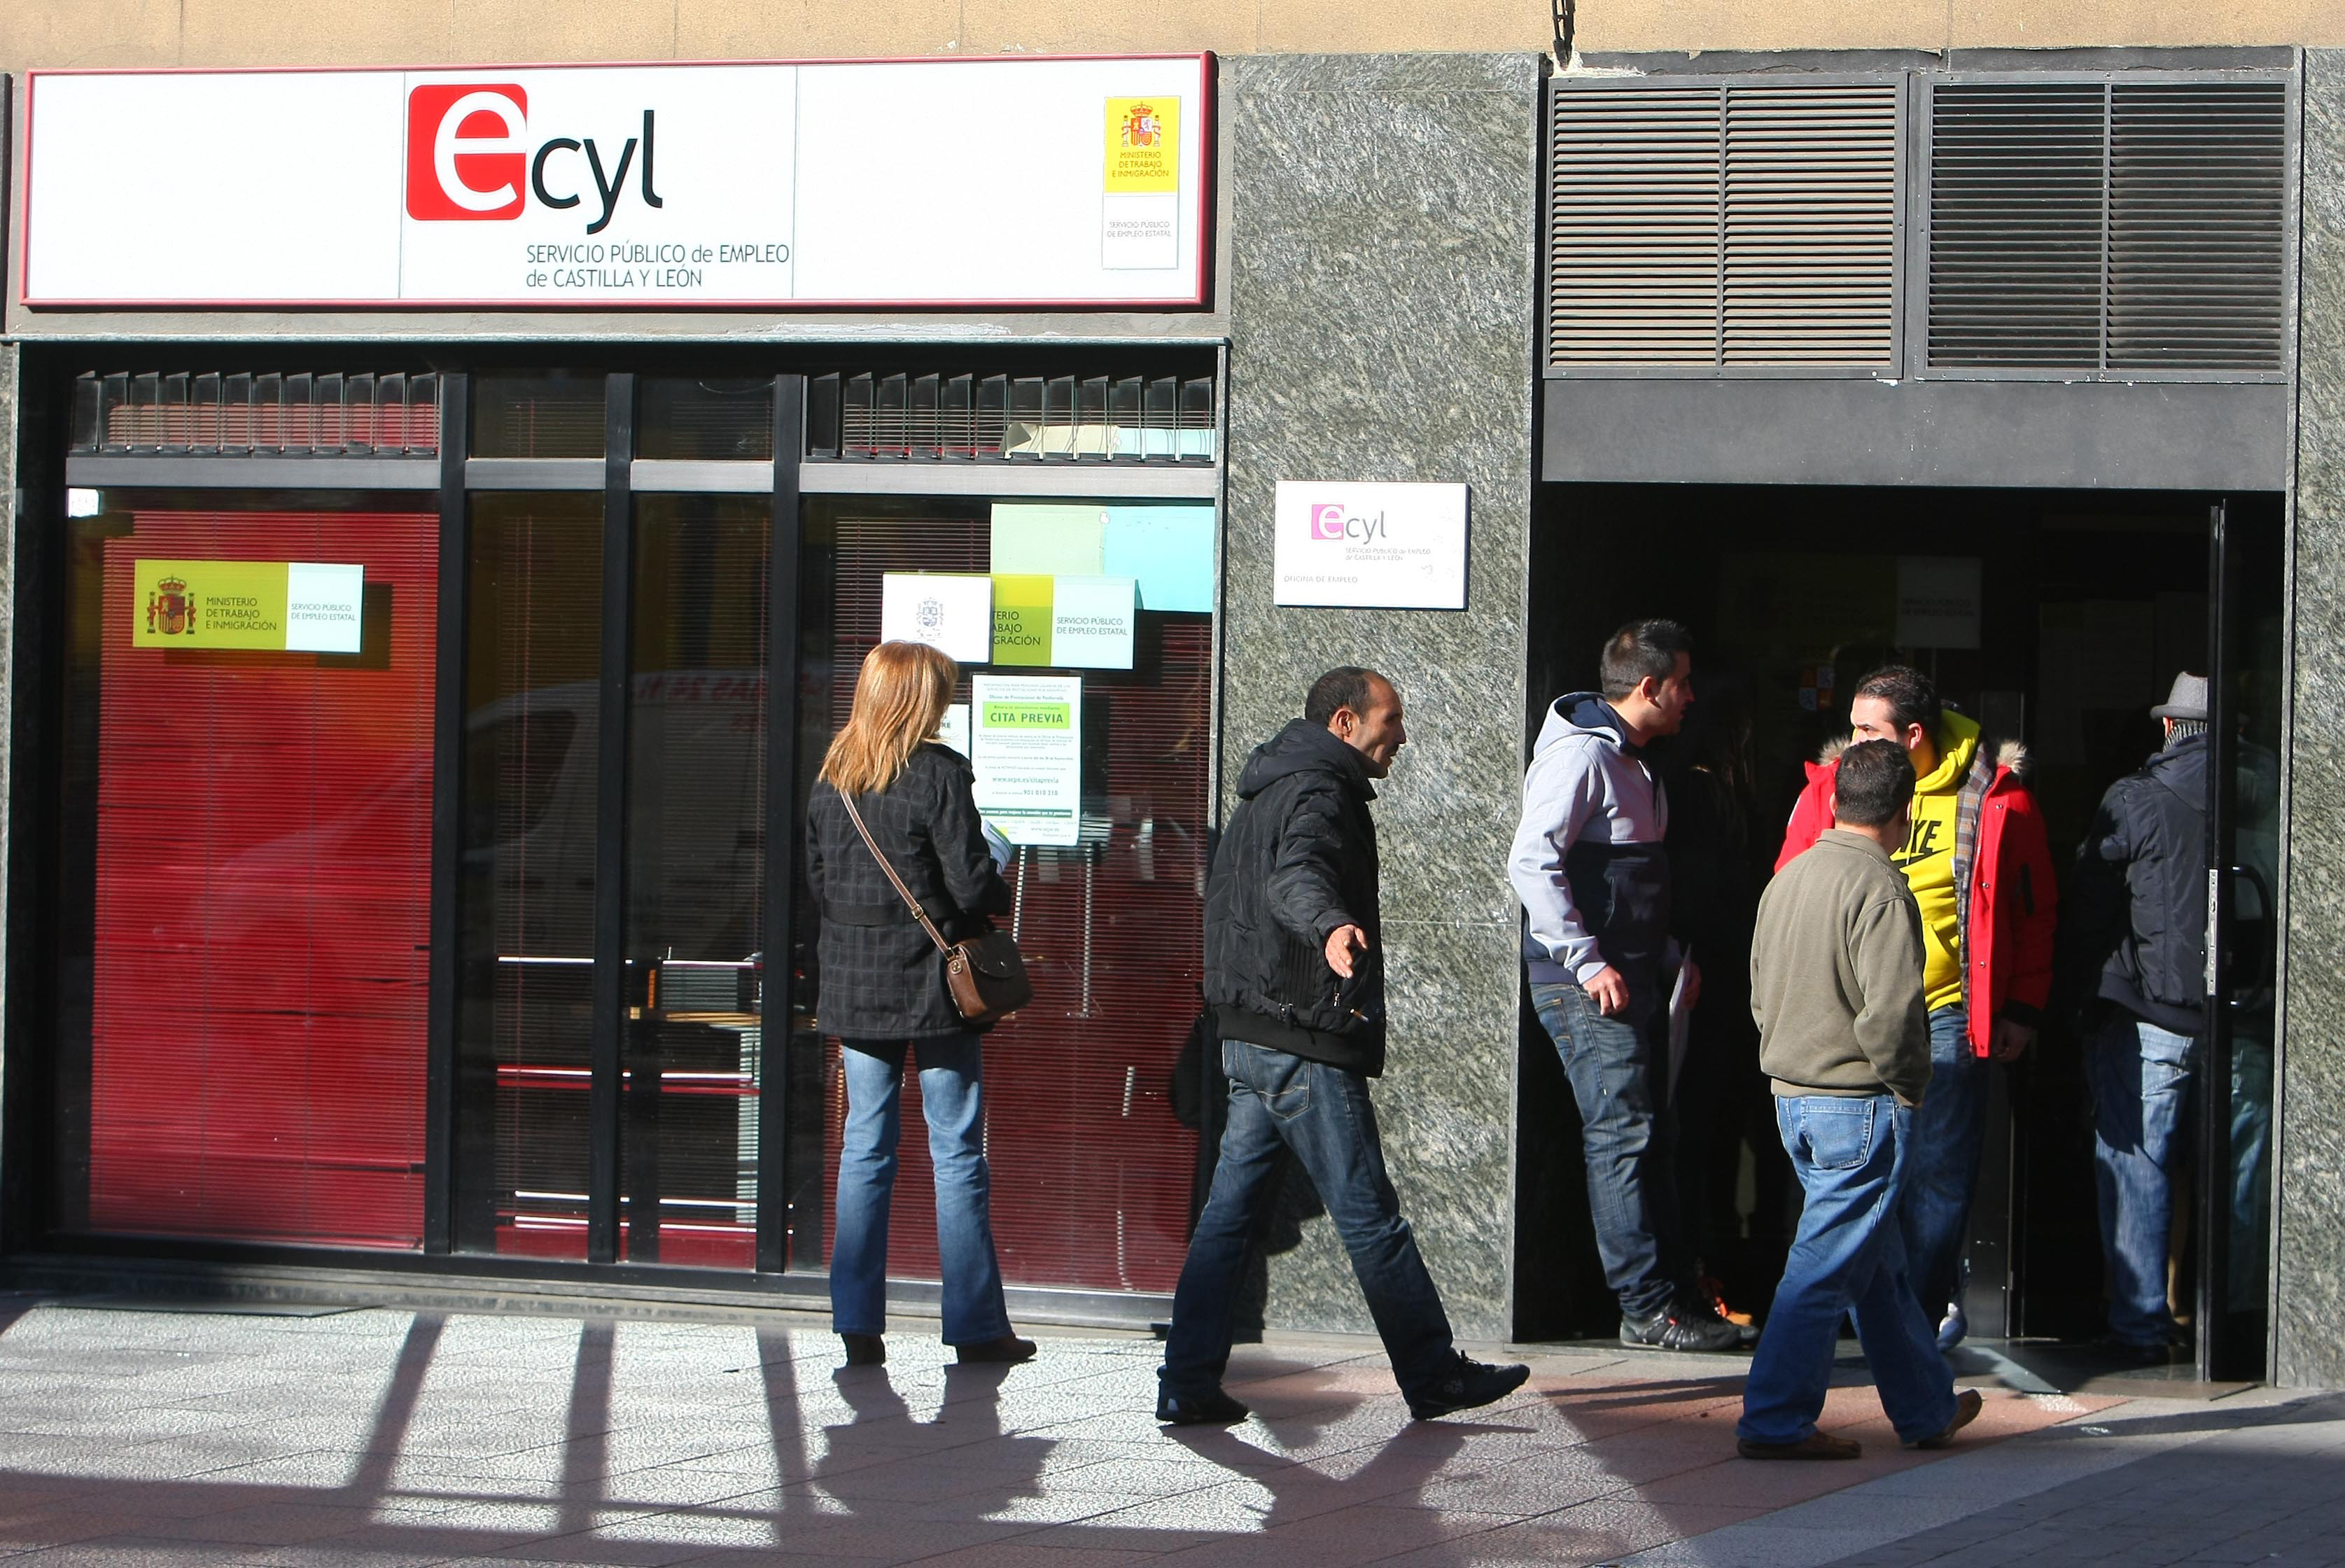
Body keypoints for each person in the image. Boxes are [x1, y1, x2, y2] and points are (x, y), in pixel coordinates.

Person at [1158, 667, 1530, 1425]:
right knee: (1368, 1212)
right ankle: (1432, 1373)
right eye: (1390, 719)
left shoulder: (1268, 786)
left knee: (1228, 1217)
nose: (1402, 735)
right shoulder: (1320, 792)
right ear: (1343, 722)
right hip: (1300, 1034)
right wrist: (1330, 926)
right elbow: (1296, 877)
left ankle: (1188, 1378)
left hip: (1250, 1034)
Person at [1776, 665, 2056, 1351]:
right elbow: (1789, 891)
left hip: (1948, 1010)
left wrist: (2022, 1004)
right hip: (1849, 1011)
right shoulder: (1831, 789)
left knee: (1936, 1177)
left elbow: (2032, 907)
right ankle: (1875, 1327)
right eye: (1851, 727)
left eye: (1868, 729)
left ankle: (1918, 1320)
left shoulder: (1993, 793)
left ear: (1913, 735)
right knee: (1858, 1176)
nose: (1853, 741)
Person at [1740, 738, 1982, 1460]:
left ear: (1838, 798)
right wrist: (1910, 1087)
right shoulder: (1880, 889)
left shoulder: (1789, 878)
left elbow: (1759, 994)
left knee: (1875, 1264)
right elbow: (1893, 1015)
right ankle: (1775, 1418)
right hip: (1856, 1099)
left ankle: (1925, 1406)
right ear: (1904, 812)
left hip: (1795, 1097)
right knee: (1824, 1267)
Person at [1511, 620, 1744, 1352]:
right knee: (1624, 1134)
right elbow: (1531, 861)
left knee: (1647, 1134)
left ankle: (1671, 1296)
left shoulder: (1632, 760)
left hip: (1629, 975)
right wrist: (1586, 962)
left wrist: (1667, 955)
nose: (1690, 697)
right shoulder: (1582, 756)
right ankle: (1647, 1308)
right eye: (1681, 683)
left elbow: (1630, 883)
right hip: (1588, 985)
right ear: (1648, 686)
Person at [804, 640, 1035, 1370]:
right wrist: (996, 868)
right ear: (919, 699)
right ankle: (975, 1326)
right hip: (934, 983)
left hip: (855, 982)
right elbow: (970, 885)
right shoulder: (937, 774)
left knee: (864, 1147)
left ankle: (855, 1321)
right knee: (956, 1150)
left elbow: (820, 882)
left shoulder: (834, 776)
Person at [2061, 673, 2211, 1357]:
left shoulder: (2134, 797)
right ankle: (2233, 1321)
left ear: (2168, 728)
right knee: (2217, 1169)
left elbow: (2089, 911)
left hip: (2148, 1009)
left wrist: (2080, 998)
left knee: (2136, 1163)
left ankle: (2141, 1324)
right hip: (2237, 1017)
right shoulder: (2264, 794)